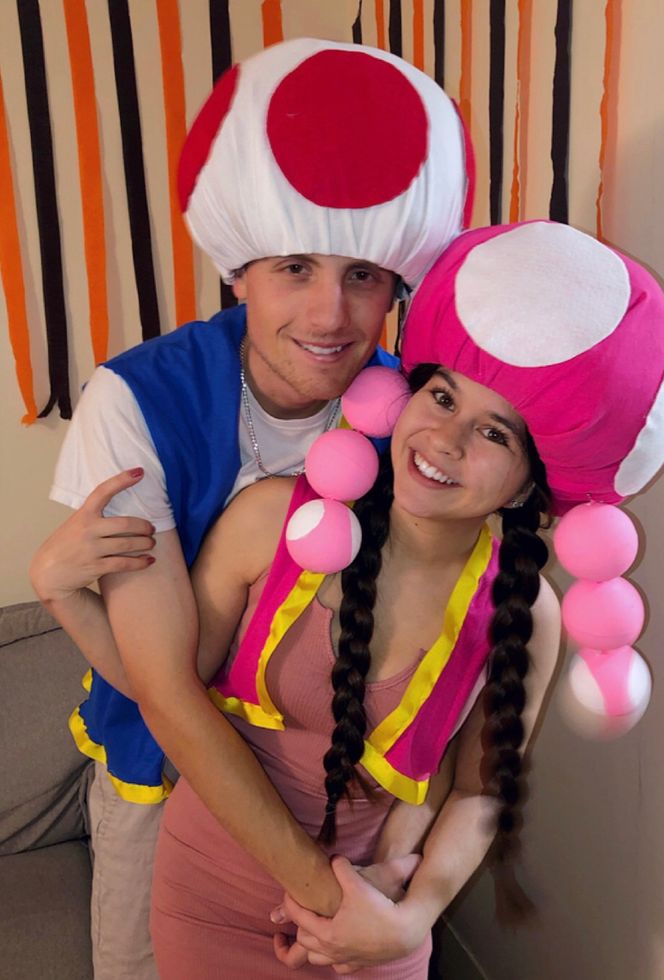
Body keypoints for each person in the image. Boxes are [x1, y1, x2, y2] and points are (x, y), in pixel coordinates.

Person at [33, 220, 664, 976]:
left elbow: (480, 791)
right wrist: (64, 597)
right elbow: (165, 690)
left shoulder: (526, 612)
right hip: (209, 892)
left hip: (373, 924)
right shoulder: (272, 519)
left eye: (495, 435)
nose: (445, 440)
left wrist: (409, 916)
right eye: (441, 397)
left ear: (533, 484)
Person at [30, 36, 472, 979]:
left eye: (362, 275)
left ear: (397, 283)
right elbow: (168, 684)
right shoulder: (134, 400)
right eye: (295, 269)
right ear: (237, 270)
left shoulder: (416, 423)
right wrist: (334, 900)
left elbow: (458, 650)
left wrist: (402, 884)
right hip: (161, 775)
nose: (327, 316)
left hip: (329, 799)